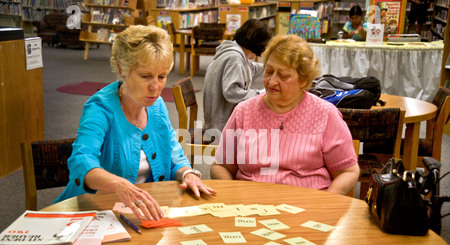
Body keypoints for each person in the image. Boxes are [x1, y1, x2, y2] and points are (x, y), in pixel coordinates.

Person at [54, 25, 215, 220]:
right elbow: (81, 162)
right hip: (96, 214)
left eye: (162, 76)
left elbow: (174, 155)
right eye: (145, 76)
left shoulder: (157, 106)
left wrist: (188, 173)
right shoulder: (100, 108)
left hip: (144, 214)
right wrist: (118, 184)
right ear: (122, 69)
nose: (155, 87)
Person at [210, 34, 360, 196]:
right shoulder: (243, 111)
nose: (272, 81)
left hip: (308, 206)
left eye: (283, 76)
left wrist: (325, 202)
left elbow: (348, 172)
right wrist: (232, 198)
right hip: (251, 205)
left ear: (303, 80)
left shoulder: (325, 114)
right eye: (269, 71)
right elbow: (222, 166)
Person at [203, 19, 273, 133]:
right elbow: (231, 92)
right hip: (221, 127)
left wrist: (273, 69)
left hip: (219, 121)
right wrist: (259, 94)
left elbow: (252, 69)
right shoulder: (234, 58)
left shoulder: (235, 54)